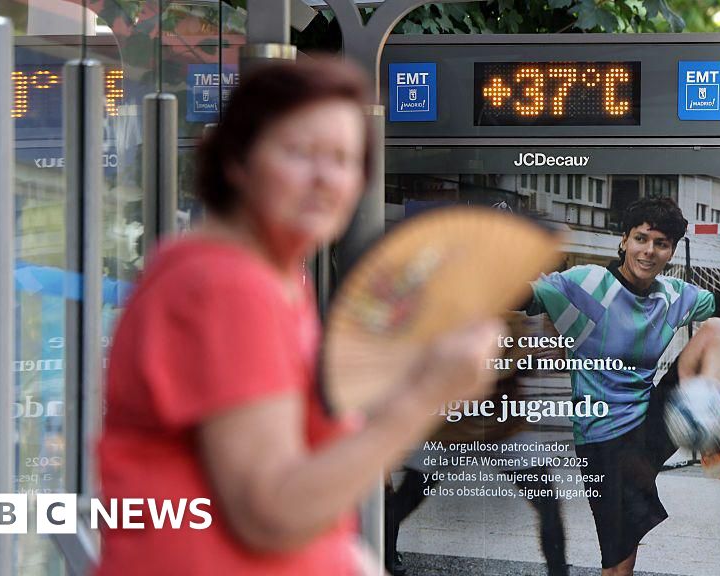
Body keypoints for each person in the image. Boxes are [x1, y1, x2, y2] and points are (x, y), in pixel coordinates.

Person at [96, 59, 500, 575]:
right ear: (237, 159)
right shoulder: (227, 286)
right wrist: (426, 395)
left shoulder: (264, 277)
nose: (326, 178)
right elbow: (270, 512)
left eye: (344, 159)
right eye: (300, 152)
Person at [521, 197, 720, 576]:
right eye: (641, 239)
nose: (649, 251)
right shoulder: (586, 284)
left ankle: (712, 428)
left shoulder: (673, 294)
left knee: (718, 329)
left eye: (661, 244)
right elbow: (527, 295)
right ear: (624, 241)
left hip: (652, 422)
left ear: (671, 251)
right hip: (605, 441)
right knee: (619, 566)